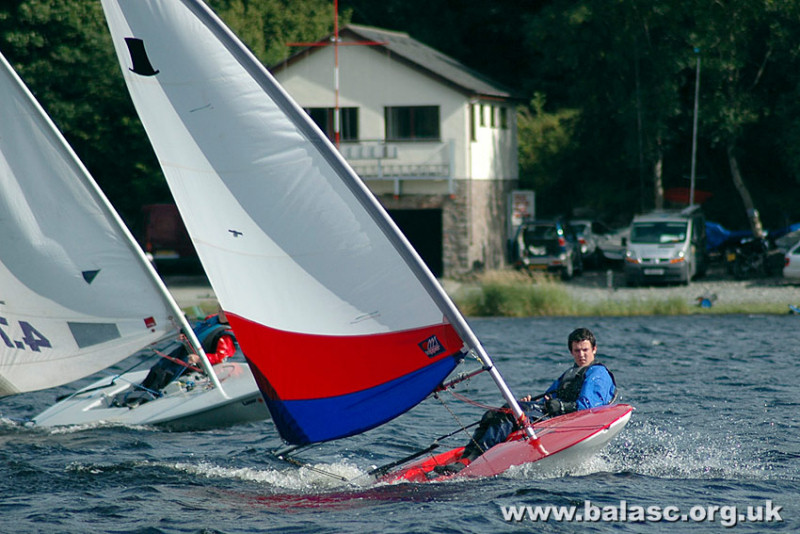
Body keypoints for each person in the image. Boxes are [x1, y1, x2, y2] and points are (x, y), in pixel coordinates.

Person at [442, 328, 616, 473]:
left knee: (509, 415)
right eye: (577, 350)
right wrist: (531, 403)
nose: (581, 355)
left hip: (570, 420)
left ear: (594, 349)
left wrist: (561, 406)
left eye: (585, 350)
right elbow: (550, 397)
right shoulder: (571, 373)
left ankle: (474, 459)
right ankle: (468, 455)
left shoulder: (597, 373)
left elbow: (590, 406)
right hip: (554, 415)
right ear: (571, 352)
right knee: (494, 414)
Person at [133, 310, 236, 398]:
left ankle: (151, 395)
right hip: (185, 352)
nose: (221, 313)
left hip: (197, 363)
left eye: (224, 311)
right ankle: (140, 392)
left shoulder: (225, 335)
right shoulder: (211, 321)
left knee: (166, 374)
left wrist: (199, 358)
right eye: (220, 310)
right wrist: (185, 335)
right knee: (158, 368)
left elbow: (220, 358)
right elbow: (196, 333)